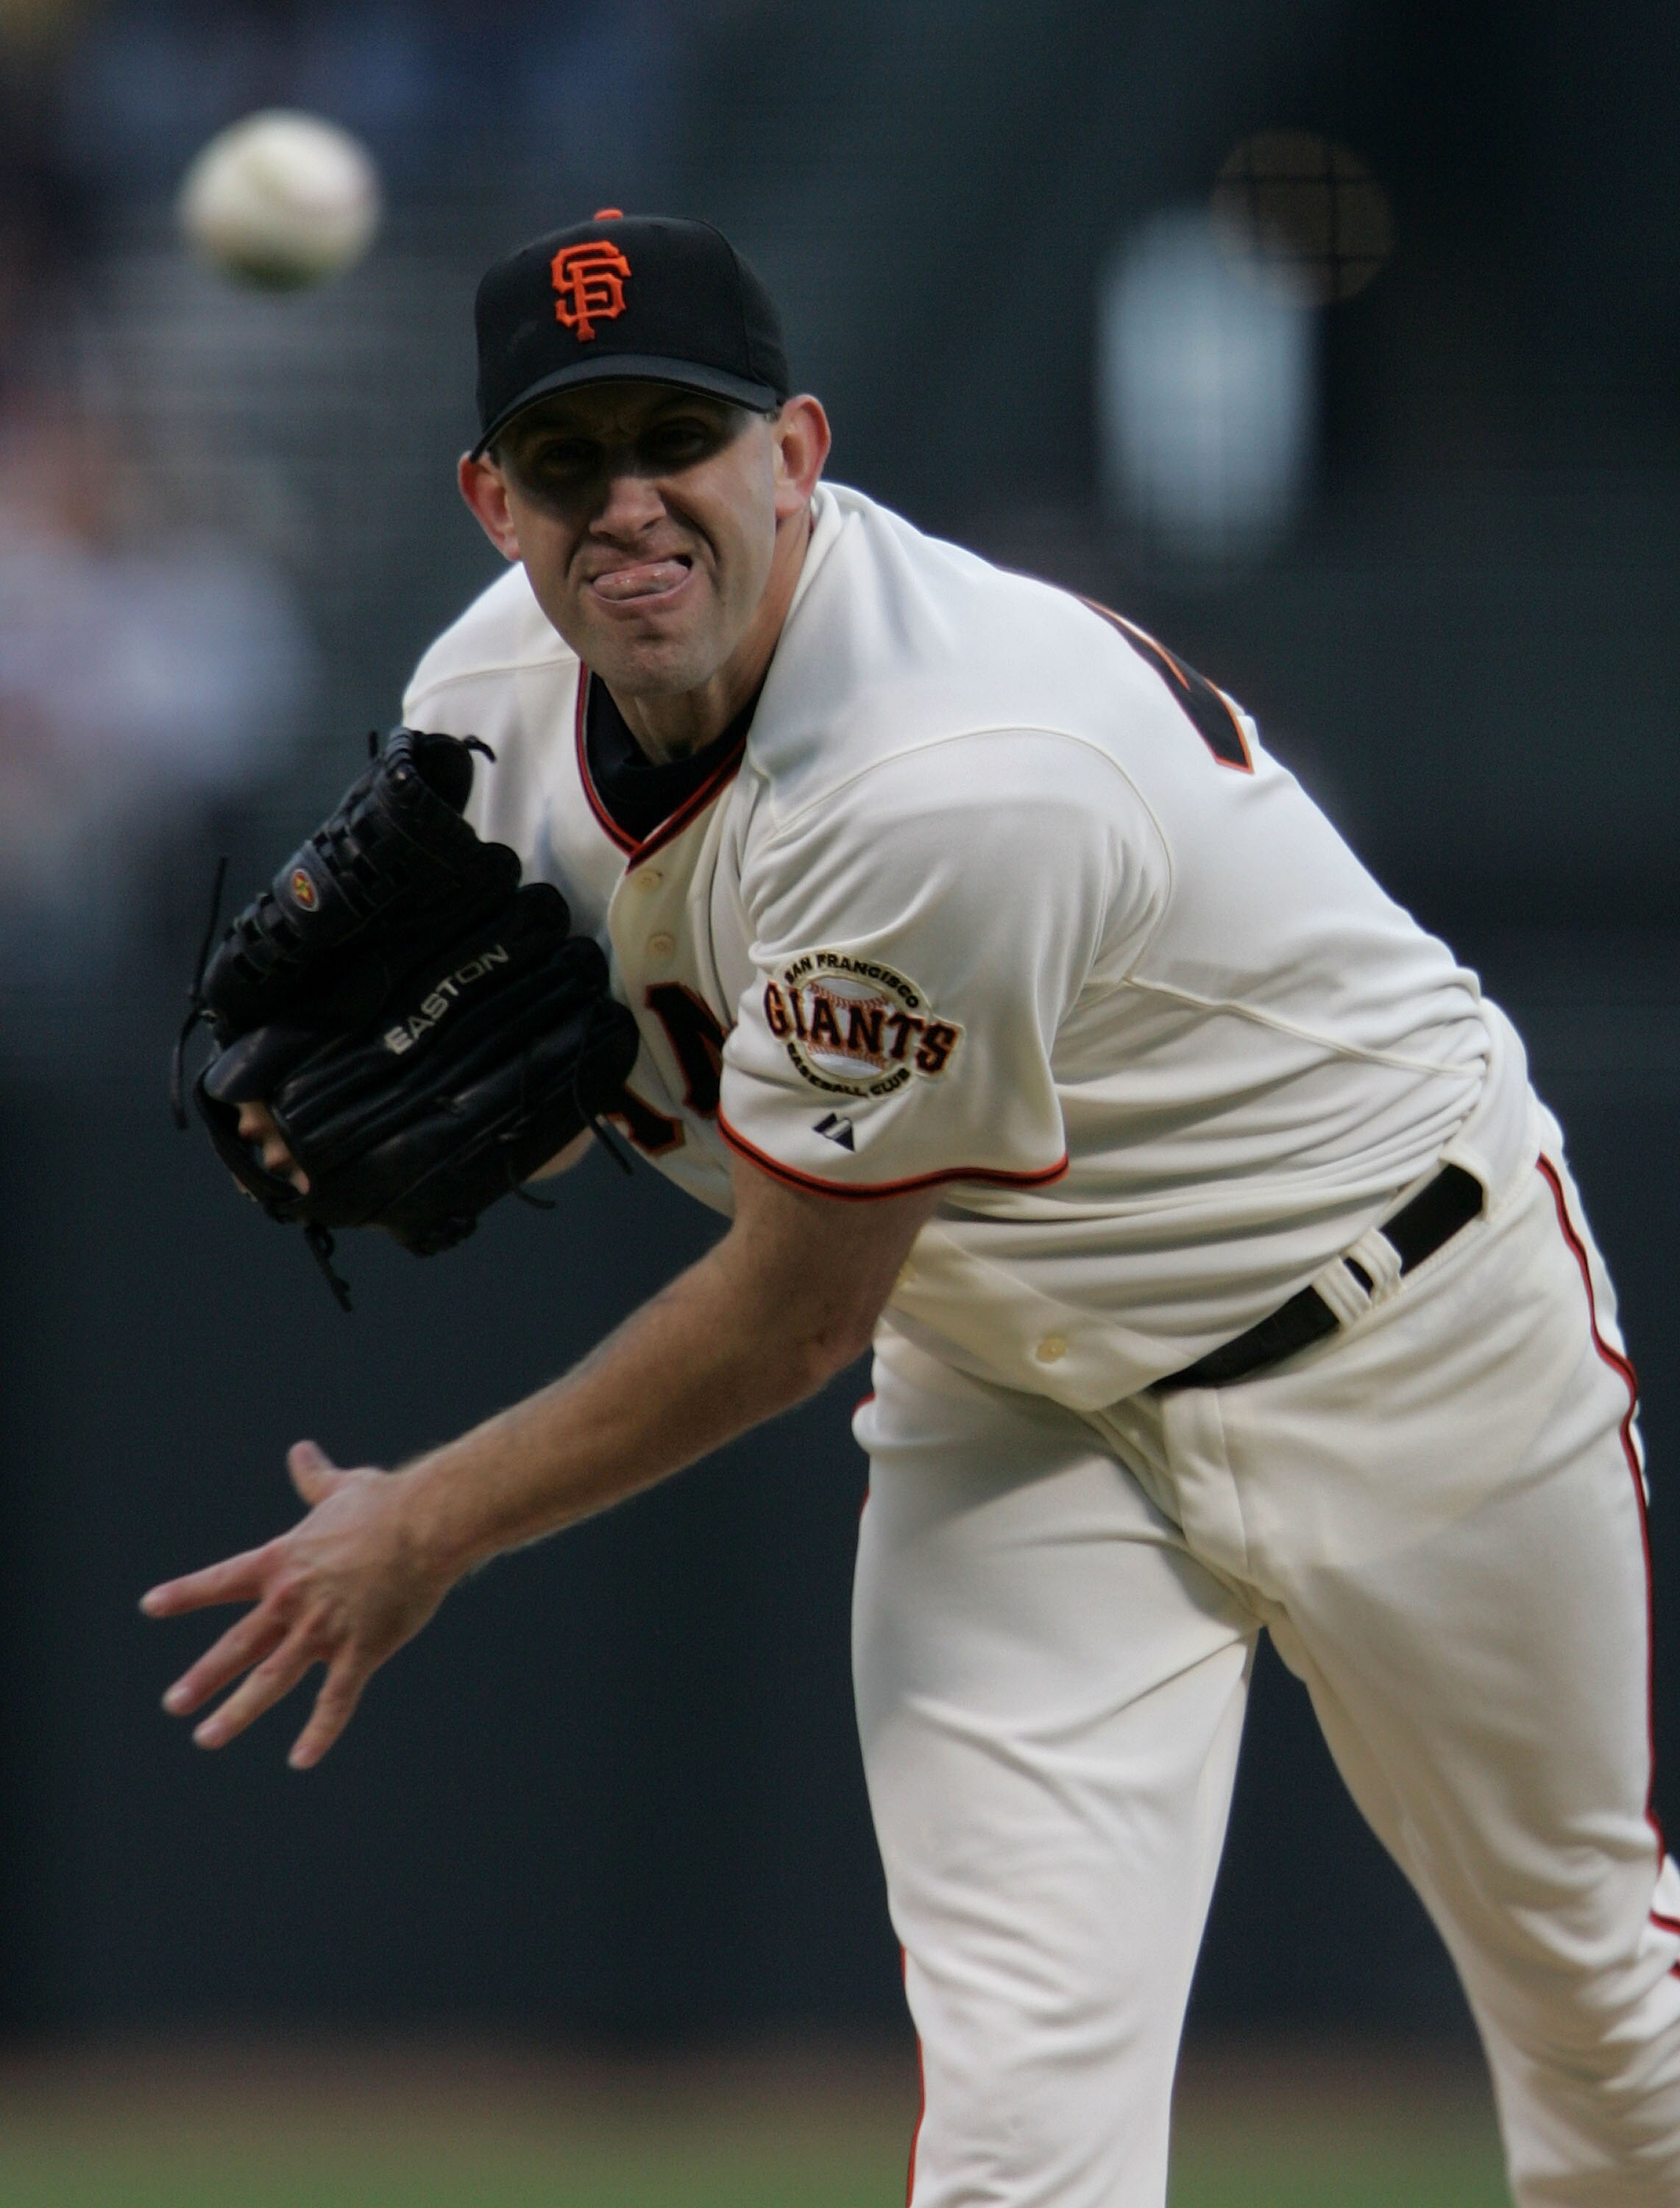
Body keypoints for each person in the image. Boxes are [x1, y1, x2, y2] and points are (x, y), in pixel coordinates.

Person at [143, 211, 1680, 2207]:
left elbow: (791, 1314)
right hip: (1013, 1395)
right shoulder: (485, 697)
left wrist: (423, 1520)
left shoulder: (951, 775)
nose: (627, 501)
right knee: (1016, 2154)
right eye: (562, 455)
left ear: (794, 453)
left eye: (675, 434)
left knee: (1595, 2025)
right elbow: (559, 1061)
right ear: (486, 499)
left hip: (1396, 1323)